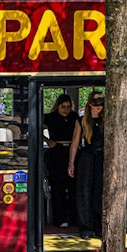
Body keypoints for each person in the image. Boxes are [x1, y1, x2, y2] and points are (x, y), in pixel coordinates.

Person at [68, 91, 105, 239]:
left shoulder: (107, 119)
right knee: (84, 192)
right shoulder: (82, 120)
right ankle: (86, 228)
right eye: (96, 105)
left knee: (100, 193)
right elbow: (75, 143)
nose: (100, 107)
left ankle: (100, 227)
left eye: (102, 104)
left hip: (103, 157)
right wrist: (71, 162)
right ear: (90, 104)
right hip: (87, 157)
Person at [43, 94, 78, 228]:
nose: (66, 110)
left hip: (72, 152)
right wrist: (47, 141)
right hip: (56, 152)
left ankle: (74, 218)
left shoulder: (75, 117)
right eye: (63, 107)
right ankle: (59, 219)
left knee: (73, 188)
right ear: (58, 106)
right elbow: (34, 129)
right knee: (58, 188)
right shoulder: (50, 117)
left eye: (68, 107)